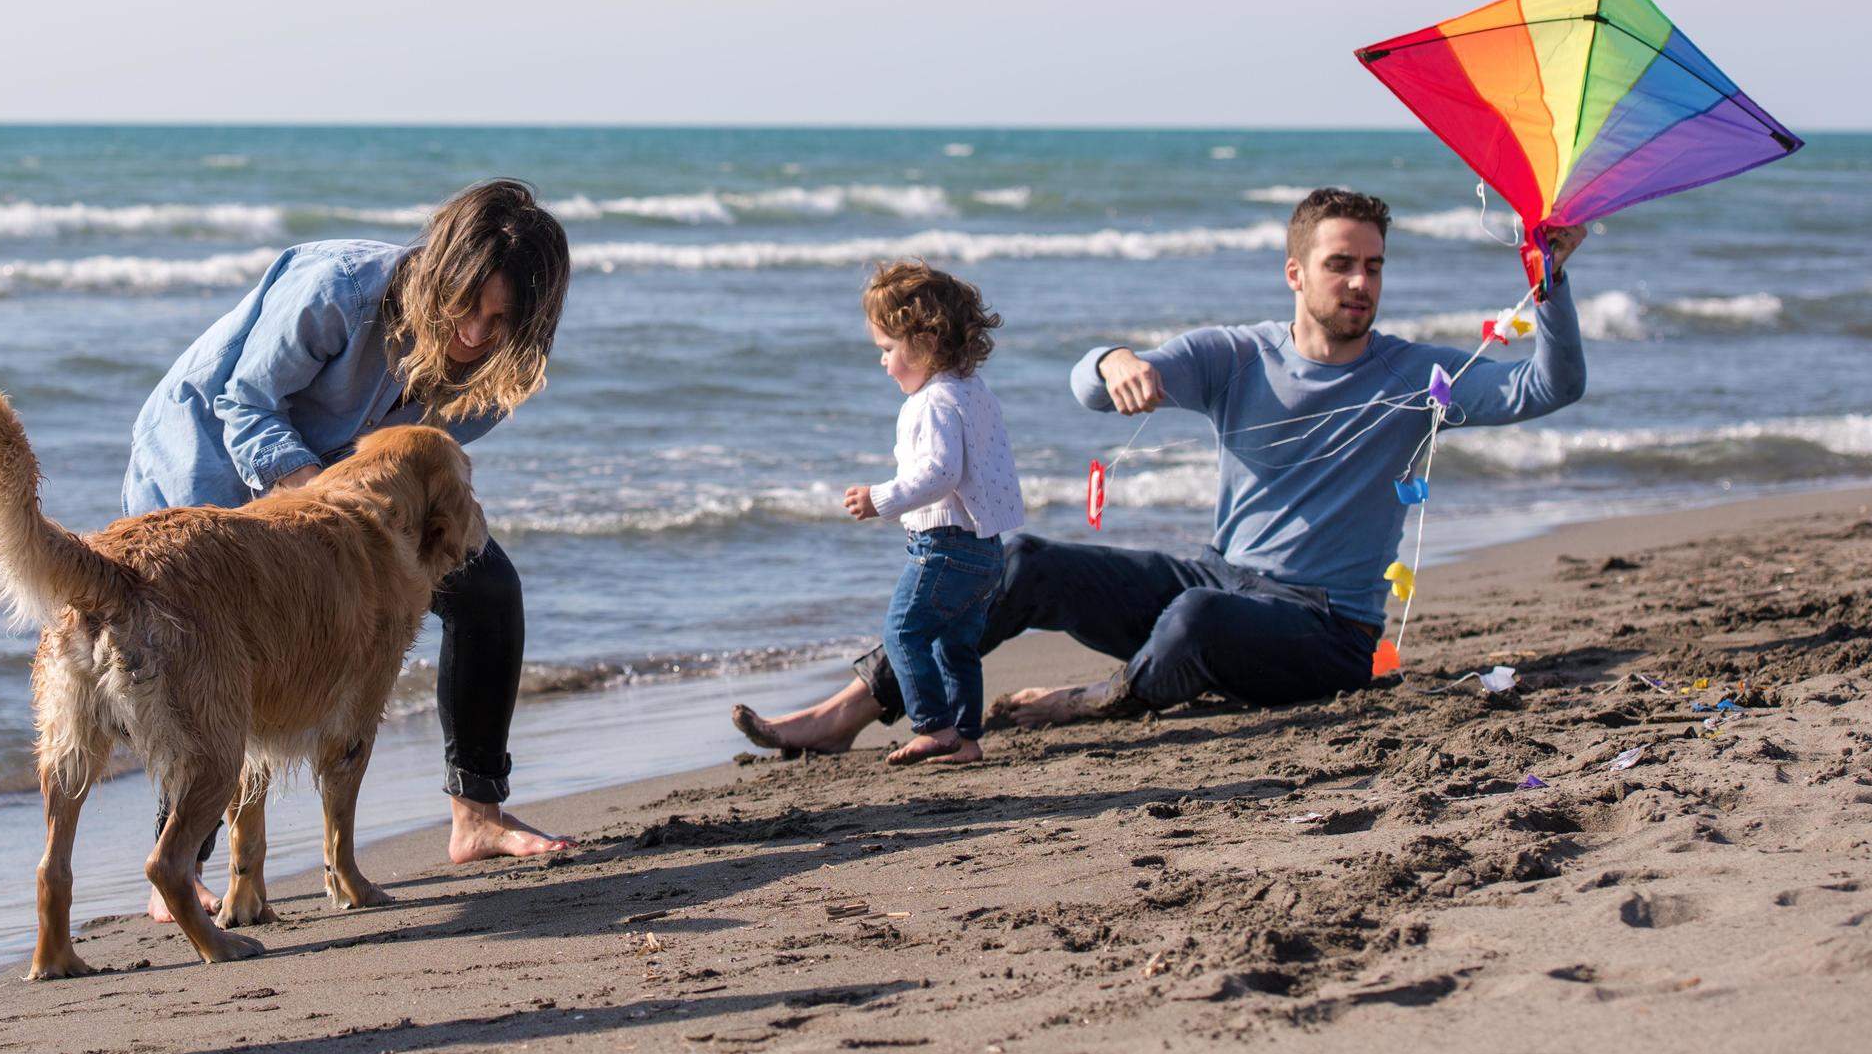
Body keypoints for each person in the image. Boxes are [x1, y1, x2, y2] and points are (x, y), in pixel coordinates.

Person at [735, 186, 1587, 751]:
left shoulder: (1413, 376)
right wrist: (1111, 361)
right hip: (1218, 577)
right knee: (1020, 560)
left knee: (1195, 619)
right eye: (1339, 263)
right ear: (1296, 273)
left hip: (1324, 630)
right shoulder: (1236, 357)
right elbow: (1086, 385)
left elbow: (1550, 384)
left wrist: (1546, 280)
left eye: (1371, 266)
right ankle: (847, 711)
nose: (1359, 281)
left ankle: (1098, 698)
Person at [122, 179, 576, 900]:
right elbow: (244, 401)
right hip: (208, 459)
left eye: (502, 321)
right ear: (439, 269)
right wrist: (317, 507)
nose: (476, 336)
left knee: (485, 590)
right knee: (221, 653)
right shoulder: (337, 290)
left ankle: (476, 816)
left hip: (338, 504)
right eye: (468, 307)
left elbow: (419, 467)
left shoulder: (493, 366)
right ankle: (178, 868)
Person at [840, 261, 1028, 766]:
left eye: (886, 350)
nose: (882, 363)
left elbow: (940, 473)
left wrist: (880, 498)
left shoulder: (932, 402)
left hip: (945, 547)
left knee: (902, 633)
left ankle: (934, 727)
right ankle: (965, 739)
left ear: (924, 341)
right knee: (954, 646)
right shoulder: (974, 392)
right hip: (986, 547)